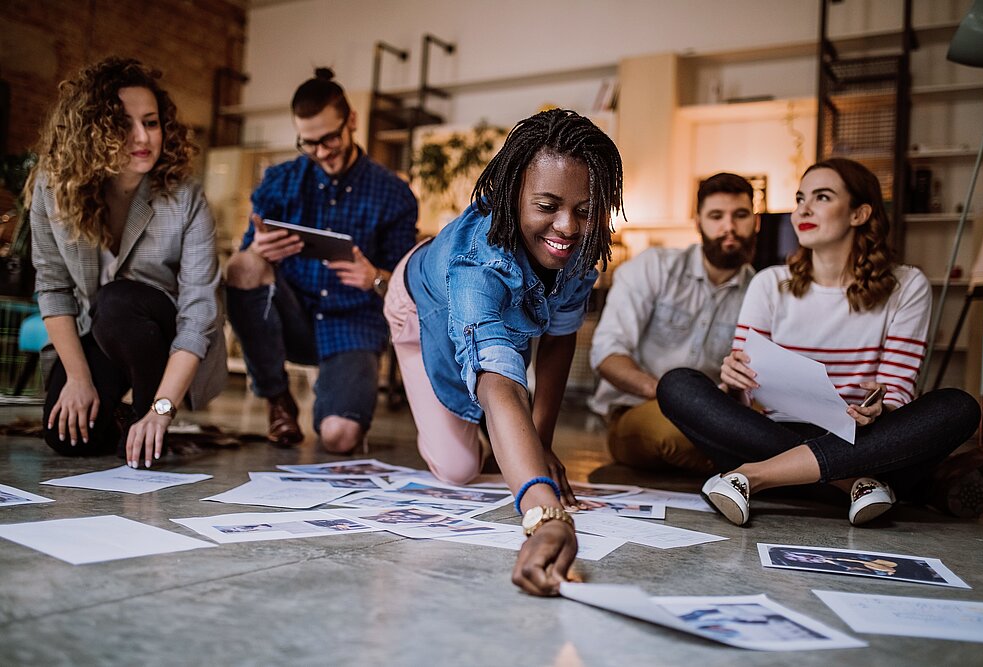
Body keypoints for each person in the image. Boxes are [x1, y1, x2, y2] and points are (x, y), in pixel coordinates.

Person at [658, 158, 981, 526]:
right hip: (782, 435)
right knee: (678, 384)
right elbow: (745, 403)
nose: (802, 210)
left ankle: (753, 476)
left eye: (822, 197)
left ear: (859, 213)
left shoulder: (906, 286)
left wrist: (881, 409)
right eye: (799, 199)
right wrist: (734, 384)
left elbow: (896, 394)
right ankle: (860, 486)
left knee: (958, 406)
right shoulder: (770, 283)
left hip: (860, 440)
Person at [383, 109, 624, 595]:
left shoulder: (576, 248)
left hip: (504, 308)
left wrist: (542, 442)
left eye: (584, 209)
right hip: (419, 306)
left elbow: (558, 339)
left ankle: (510, 442)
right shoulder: (478, 262)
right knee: (459, 468)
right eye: (547, 205)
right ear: (512, 196)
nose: (568, 228)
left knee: (515, 434)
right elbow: (499, 381)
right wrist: (544, 513)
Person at [28, 57, 226, 469]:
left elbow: (199, 311)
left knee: (118, 302)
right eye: (124, 124)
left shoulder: (185, 195)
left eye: (151, 122)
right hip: (96, 330)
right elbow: (52, 285)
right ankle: (121, 416)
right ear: (93, 131)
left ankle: (146, 416)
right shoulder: (53, 187)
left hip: (164, 335)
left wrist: (162, 408)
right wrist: (79, 380)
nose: (142, 137)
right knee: (68, 437)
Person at [225, 68, 417, 453]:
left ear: (352, 122)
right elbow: (245, 264)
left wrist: (375, 277)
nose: (322, 151)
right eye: (309, 143)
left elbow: (407, 287)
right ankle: (277, 397)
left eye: (330, 138)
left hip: (353, 323)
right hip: (292, 316)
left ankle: (339, 398)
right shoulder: (279, 180)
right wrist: (258, 251)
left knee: (339, 438)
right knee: (241, 266)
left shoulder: (395, 194)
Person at [589, 172, 757, 474]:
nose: (729, 227)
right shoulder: (653, 267)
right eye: (716, 216)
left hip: (719, 417)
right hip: (637, 409)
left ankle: (761, 468)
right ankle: (772, 469)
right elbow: (606, 354)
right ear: (698, 222)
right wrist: (677, 398)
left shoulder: (762, 292)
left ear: (755, 222)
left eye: (740, 215)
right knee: (674, 436)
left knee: (767, 428)